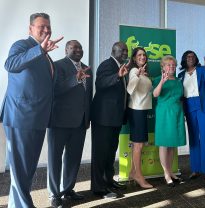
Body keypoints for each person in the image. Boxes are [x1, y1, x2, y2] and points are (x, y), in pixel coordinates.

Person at [0, 13, 63, 208]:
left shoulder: (46, 56)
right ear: (30, 29)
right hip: (21, 115)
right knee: (21, 168)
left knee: (27, 168)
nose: (46, 30)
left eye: (48, 27)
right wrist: (39, 50)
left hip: (38, 117)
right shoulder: (22, 46)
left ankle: (15, 205)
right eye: (41, 27)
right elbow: (10, 65)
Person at [47, 40, 92, 207]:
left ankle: (67, 189)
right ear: (66, 50)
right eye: (74, 47)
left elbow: (88, 96)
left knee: (73, 159)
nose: (79, 49)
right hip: (59, 121)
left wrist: (87, 118)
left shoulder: (87, 68)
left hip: (80, 122)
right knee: (55, 159)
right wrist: (75, 79)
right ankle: (54, 194)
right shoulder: (57, 65)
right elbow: (54, 90)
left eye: (80, 47)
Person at [91, 41, 129, 198]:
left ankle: (108, 181)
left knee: (110, 152)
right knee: (100, 153)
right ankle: (99, 188)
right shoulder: (107, 65)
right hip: (103, 118)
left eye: (126, 51)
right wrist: (117, 76)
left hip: (115, 118)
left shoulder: (121, 66)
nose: (125, 53)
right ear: (114, 51)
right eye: (122, 51)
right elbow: (100, 83)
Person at [178, 51, 205, 182]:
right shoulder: (180, 74)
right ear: (184, 59)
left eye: (192, 56)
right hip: (189, 106)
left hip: (203, 106)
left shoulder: (202, 70)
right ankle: (195, 169)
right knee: (194, 137)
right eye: (188, 56)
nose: (190, 58)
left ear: (196, 59)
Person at [153, 55, 186, 187]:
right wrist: (162, 81)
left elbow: (181, 97)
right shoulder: (157, 79)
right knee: (164, 144)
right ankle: (166, 173)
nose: (171, 67)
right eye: (168, 65)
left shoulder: (178, 80)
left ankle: (171, 171)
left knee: (172, 144)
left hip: (177, 112)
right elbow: (155, 94)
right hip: (164, 113)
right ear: (163, 66)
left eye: (173, 65)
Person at [127, 47, 153, 189]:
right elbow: (130, 89)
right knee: (138, 145)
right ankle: (139, 176)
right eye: (139, 55)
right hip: (136, 110)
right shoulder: (134, 71)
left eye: (144, 55)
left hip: (141, 110)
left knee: (138, 144)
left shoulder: (143, 72)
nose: (142, 57)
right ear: (134, 58)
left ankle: (132, 172)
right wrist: (138, 74)